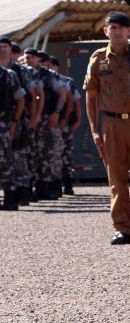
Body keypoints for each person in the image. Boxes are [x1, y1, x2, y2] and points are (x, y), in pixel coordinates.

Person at [84, 11, 130, 245]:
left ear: (129, 31)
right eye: (112, 27)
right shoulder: (97, 58)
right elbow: (91, 95)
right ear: (106, 31)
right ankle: (123, 228)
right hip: (111, 123)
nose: (116, 31)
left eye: (121, 27)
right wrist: (95, 130)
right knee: (116, 179)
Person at [30, 50, 69, 200]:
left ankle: (51, 188)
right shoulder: (24, 73)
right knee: (33, 154)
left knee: (49, 153)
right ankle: (36, 188)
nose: (29, 60)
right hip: (29, 119)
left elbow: (63, 94)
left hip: (47, 118)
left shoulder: (49, 75)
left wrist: (57, 113)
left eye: (33, 57)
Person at [1, 40, 36, 204]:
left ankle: (18, 194)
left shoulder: (14, 73)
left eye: (4, 46)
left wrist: (30, 119)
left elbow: (28, 98)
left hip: (11, 121)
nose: (2, 50)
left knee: (15, 158)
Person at [47, 56, 81, 195]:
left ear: (57, 67)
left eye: (52, 65)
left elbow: (75, 102)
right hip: (49, 121)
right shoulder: (45, 78)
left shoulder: (67, 81)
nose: (49, 67)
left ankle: (68, 184)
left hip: (63, 122)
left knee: (65, 153)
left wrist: (78, 120)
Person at [0, 48, 26, 211]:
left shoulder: (9, 75)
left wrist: (15, 121)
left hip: (3, 124)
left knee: (4, 162)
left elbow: (21, 100)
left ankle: (10, 199)